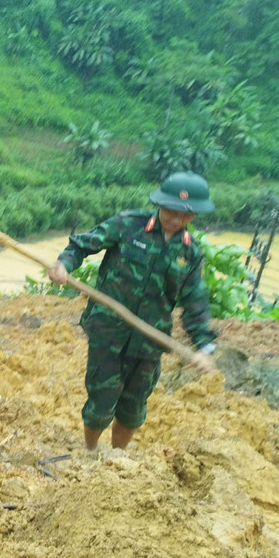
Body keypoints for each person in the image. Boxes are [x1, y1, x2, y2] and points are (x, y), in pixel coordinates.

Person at [45, 172, 218, 452]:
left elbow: (194, 301)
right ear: (160, 204)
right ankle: (90, 451)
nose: (176, 220)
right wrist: (64, 265)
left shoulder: (190, 252)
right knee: (101, 399)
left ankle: (117, 457)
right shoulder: (128, 224)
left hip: (149, 341)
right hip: (108, 330)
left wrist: (204, 347)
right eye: (171, 212)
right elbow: (82, 244)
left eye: (185, 216)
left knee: (133, 407)